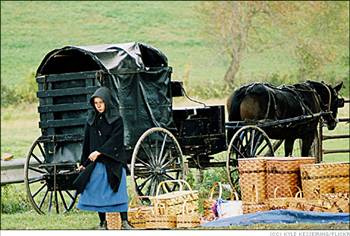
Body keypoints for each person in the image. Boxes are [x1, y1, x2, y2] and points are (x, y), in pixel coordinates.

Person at [73, 87, 133, 230]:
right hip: (98, 162)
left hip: (114, 160)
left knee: (119, 189)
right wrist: (83, 163)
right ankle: (103, 223)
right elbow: (87, 143)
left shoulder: (117, 119)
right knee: (97, 189)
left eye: (101, 102)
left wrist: (100, 152)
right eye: (96, 103)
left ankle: (124, 222)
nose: (98, 106)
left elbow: (115, 140)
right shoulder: (91, 120)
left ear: (107, 102)